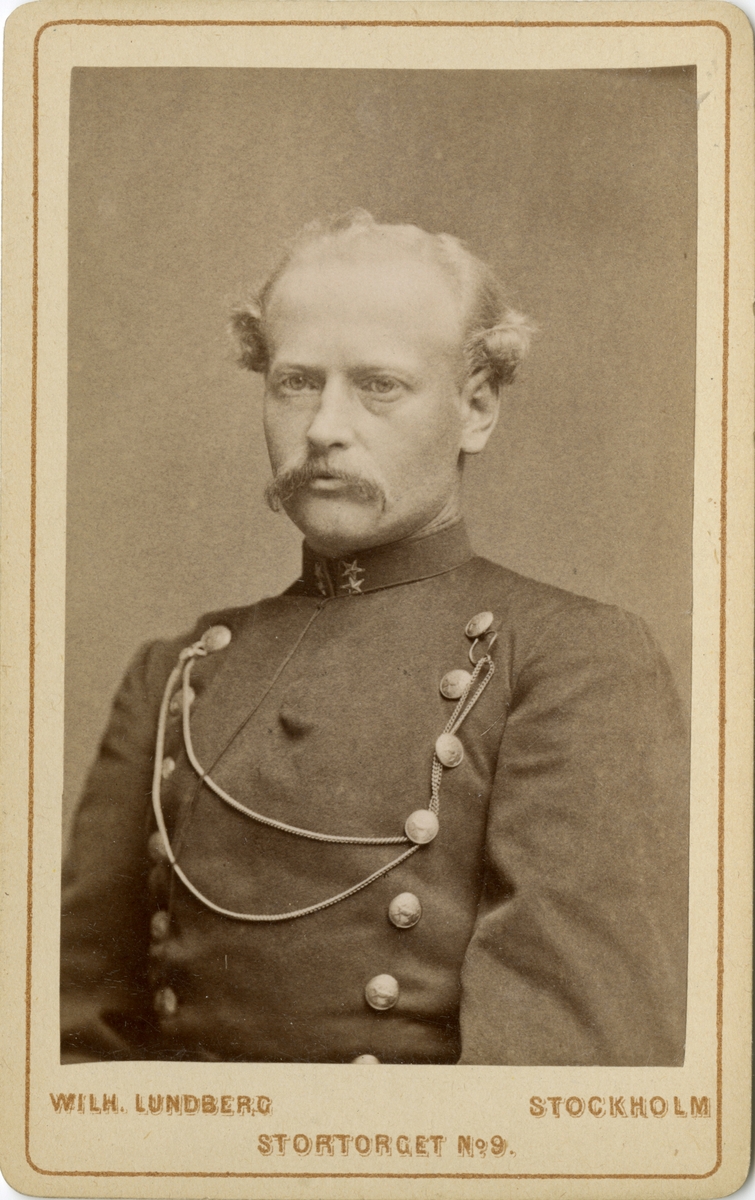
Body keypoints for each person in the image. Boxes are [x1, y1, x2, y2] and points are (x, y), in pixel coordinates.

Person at [60, 211, 688, 1066]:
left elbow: (565, 1073)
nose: (324, 426)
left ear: (475, 409)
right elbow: (74, 1051)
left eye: (378, 386)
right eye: (295, 382)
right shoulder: (176, 675)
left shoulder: (569, 661)